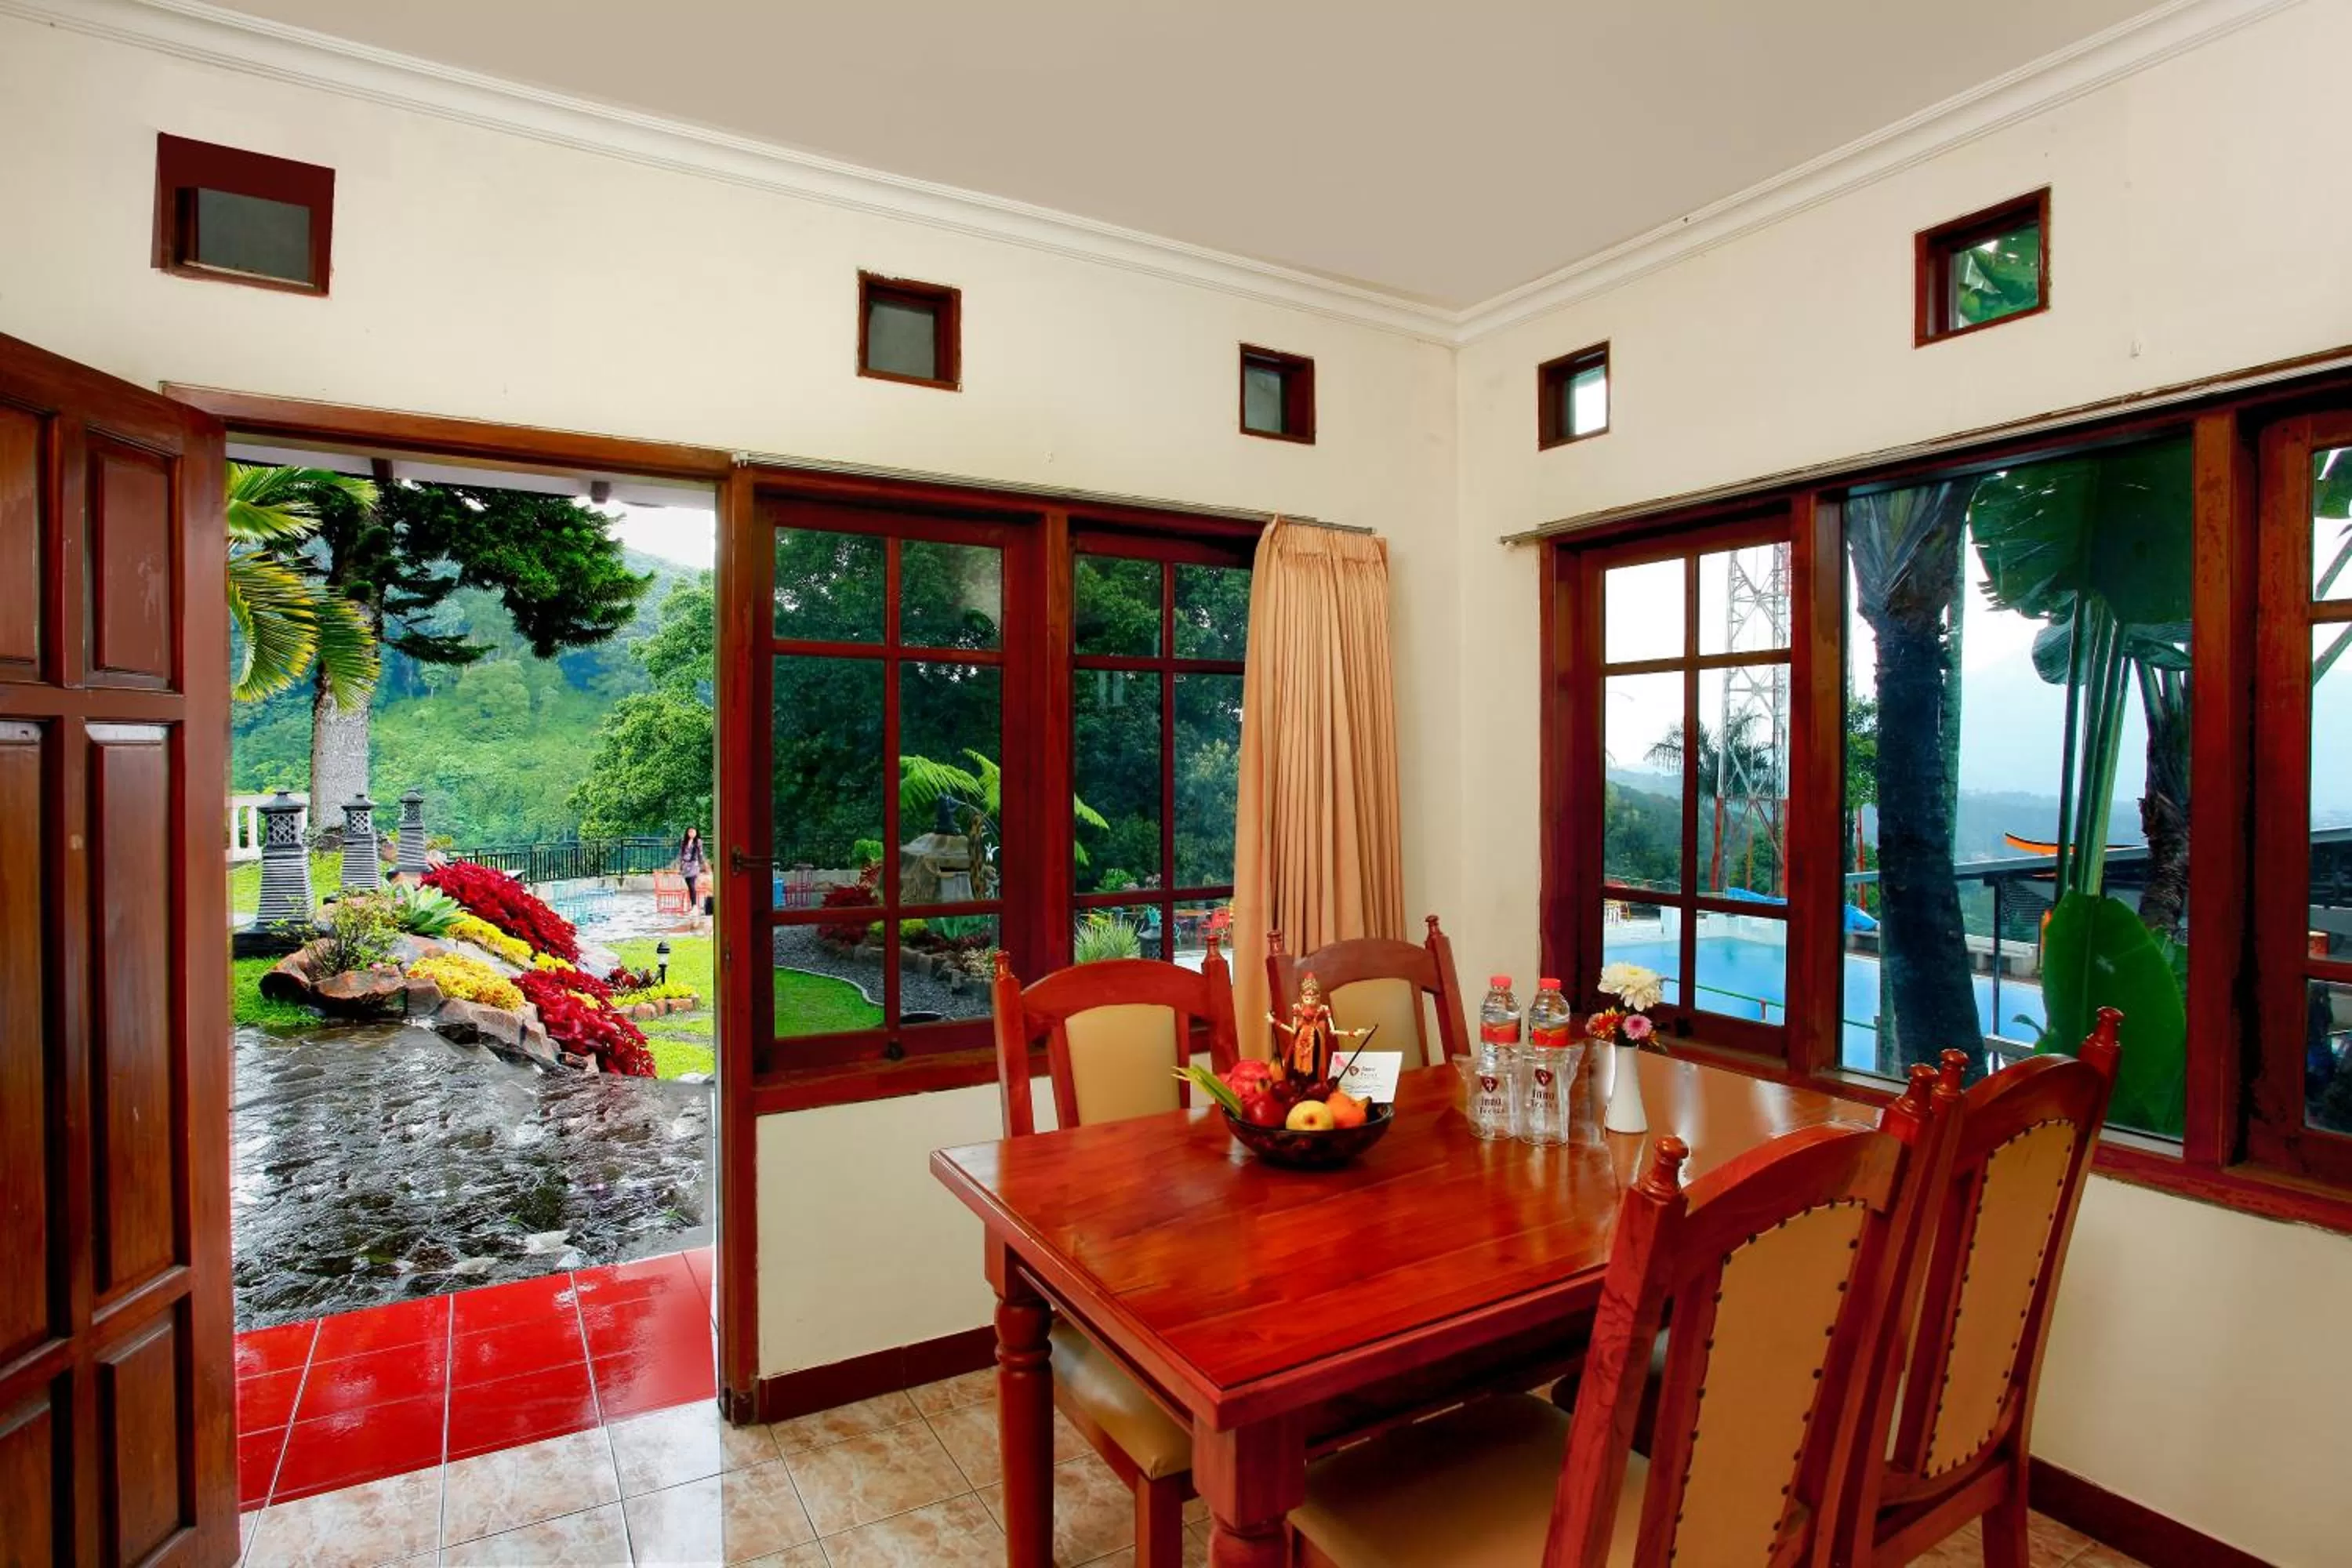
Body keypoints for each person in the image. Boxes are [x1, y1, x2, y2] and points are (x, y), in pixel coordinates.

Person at [677, 826, 707, 910]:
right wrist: (680, 866)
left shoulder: (698, 841)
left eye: (693, 832)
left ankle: (694, 906)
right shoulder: (684, 842)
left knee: (692, 884)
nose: (692, 833)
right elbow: (681, 854)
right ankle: (693, 905)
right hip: (685, 865)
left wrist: (702, 864)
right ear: (687, 833)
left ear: (696, 833)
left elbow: (700, 853)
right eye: (690, 832)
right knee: (689, 886)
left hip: (694, 864)